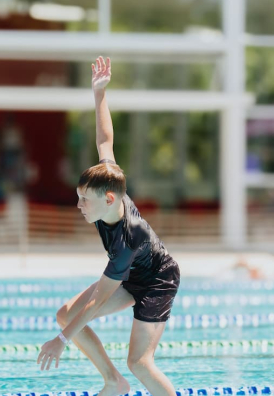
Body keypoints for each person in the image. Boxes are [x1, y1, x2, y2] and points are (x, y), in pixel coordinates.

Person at [36, 57, 180, 396]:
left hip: (158, 282)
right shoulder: (109, 180)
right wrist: (99, 93)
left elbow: (97, 301)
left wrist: (61, 342)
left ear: (110, 199)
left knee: (140, 362)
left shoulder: (128, 240)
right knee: (65, 314)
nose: (79, 205)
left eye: (85, 200)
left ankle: (126, 377)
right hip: (132, 275)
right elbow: (105, 140)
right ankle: (113, 383)